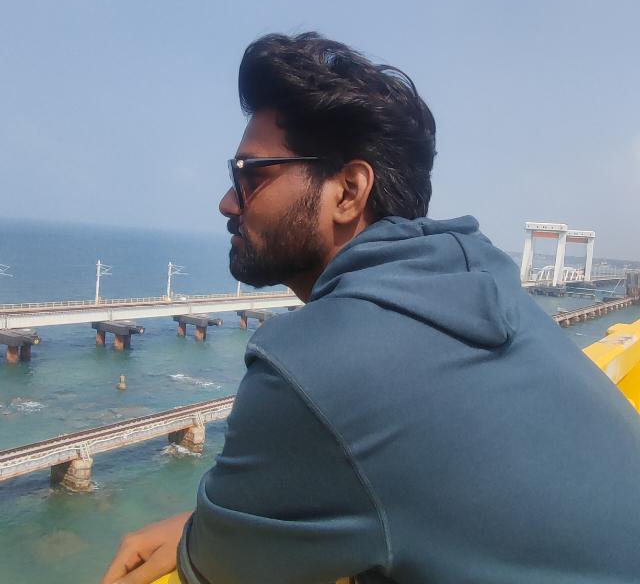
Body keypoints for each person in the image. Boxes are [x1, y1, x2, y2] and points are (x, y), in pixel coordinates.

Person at [103, 33, 640, 584]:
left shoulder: (309, 367)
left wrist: (205, 531)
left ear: (348, 191)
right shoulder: (481, 275)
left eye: (252, 174)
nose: (227, 202)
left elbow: (219, 565)